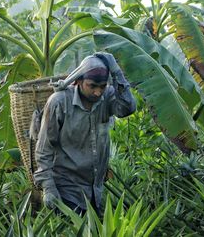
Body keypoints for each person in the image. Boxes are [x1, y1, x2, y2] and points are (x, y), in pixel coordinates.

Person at [33, 52, 136, 214]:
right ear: (78, 81)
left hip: (95, 189)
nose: (98, 92)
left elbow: (127, 108)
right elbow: (44, 149)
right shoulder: (59, 102)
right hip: (66, 189)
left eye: (102, 86)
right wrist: (49, 188)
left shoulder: (107, 97)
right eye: (92, 86)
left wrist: (117, 72)